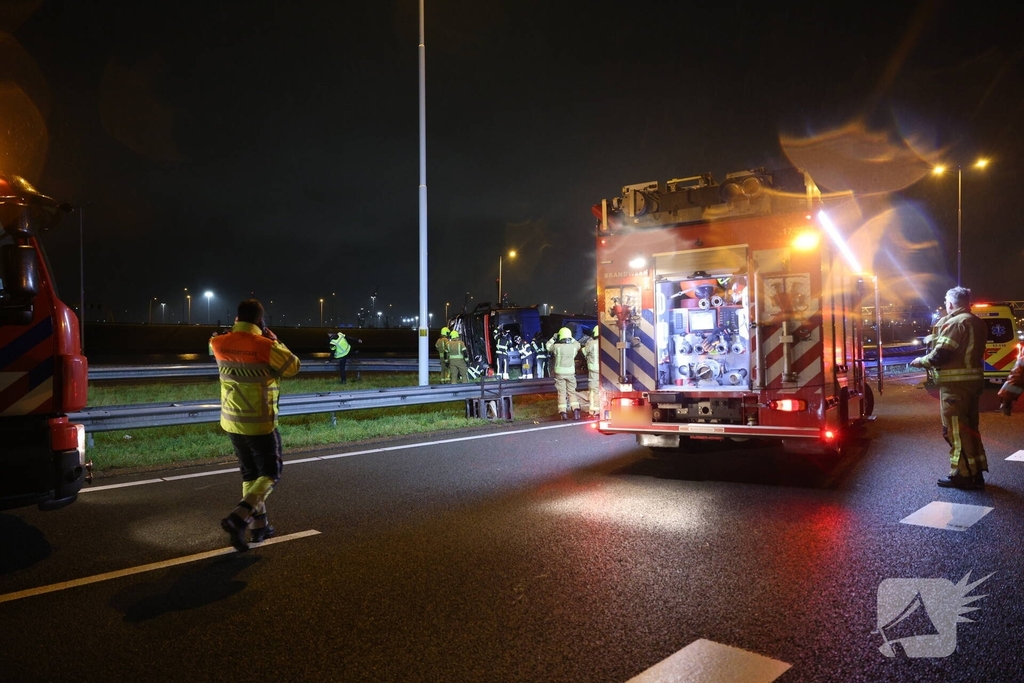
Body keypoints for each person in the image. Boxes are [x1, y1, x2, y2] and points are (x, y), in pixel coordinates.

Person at [211, 299, 301, 551]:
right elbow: (294, 366)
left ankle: (258, 527)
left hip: (231, 420)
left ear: (237, 318)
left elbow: (231, 347)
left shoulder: (217, 342)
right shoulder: (265, 345)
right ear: (261, 321)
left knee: (250, 474)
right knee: (271, 474)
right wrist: (274, 340)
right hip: (260, 422)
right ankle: (239, 518)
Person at [909, 286, 989, 489]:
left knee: (954, 431)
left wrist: (921, 361)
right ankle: (976, 472)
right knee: (970, 429)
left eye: (946, 301)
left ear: (951, 303)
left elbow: (942, 354)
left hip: (955, 388)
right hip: (972, 384)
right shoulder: (976, 322)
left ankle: (963, 475)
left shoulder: (956, 323)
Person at [546, 326, 582, 420]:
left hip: (560, 373)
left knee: (561, 393)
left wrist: (554, 337)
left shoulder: (557, 347)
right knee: (572, 392)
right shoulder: (574, 347)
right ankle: (576, 411)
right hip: (570, 373)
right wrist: (571, 338)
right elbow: (577, 343)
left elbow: (548, 346)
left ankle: (563, 413)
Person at [582, 325, 601, 418]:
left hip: (594, 370)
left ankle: (594, 410)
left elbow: (584, 352)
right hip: (605, 371)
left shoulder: (591, 343)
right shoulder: (606, 342)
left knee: (594, 390)